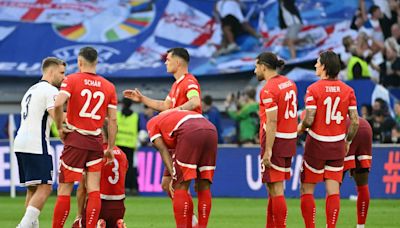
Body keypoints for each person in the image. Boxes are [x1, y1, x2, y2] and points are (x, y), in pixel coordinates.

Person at [52, 46, 118, 228]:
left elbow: (58, 104)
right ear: (96, 62)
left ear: (79, 62)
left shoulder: (71, 80)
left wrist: (59, 127)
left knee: (65, 188)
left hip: (75, 139)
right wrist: (110, 147)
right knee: (94, 189)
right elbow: (112, 120)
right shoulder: (109, 86)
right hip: (96, 142)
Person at [123, 47, 202, 193]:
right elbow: (164, 106)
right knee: (167, 184)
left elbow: (195, 101)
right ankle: (190, 216)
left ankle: (188, 216)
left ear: (177, 62)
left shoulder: (189, 81)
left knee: (179, 183)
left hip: (189, 135)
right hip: (179, 137)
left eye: (168, 59)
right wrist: (142, 99)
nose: (165, 63)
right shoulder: (176, 84)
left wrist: (174, 111)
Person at [298, 51, 359, 228]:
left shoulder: (313, 89)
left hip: (316, 144)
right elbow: (354, 121)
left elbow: (309, 119)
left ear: (324, 66)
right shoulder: (348, 90)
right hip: (338, 145)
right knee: (333, 191)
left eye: (317, 62)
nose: (315, 65)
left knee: (307, 189)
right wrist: (347, 142)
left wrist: (299, 129)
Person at [14, 57, 66, 228]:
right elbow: (56, 114)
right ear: (51, 71)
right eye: (62, 73)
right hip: (37, 143)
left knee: (33, 188)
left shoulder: (31, 90)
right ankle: (23, 226)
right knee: (45, 187)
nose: (64, 77)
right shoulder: (50, 90)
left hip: (21, 142)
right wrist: (81, 118)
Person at [146, 110, 217, 228]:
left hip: (189, 133)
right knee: (204, 184)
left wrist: (174, 176)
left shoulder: (152, 123)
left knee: (180, 185)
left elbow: (163, 149)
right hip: (211, 130)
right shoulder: (176, 116)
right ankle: (199, 225)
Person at [254, 52, 298, 227]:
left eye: (256, 66)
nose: (255, 70)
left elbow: (272, 121)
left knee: (277, 189)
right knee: (272, 188)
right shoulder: (290, 83)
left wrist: (268, 150)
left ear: (264, 66)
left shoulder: (268, 89)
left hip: (275, 140)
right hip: (289, 138)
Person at [73, 120, 128, 228]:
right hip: (119, 205)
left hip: (99, 204)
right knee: (112, 222)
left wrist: (79, 215)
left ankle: (100, 224)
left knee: (77, 226)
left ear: (101, 134)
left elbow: (82, 189)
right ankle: (116, 225)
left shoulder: (94, 154)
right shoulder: (122, 155)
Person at [343, 117, 372, 228]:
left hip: (344, 128)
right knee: (363, 185)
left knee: (333, 187)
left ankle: (330, 225)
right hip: (365, 126)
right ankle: (361, 226)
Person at [116, 97, 139, 195]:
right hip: (130, 145)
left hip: (118, 144)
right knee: (129, 167)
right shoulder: (135, 116)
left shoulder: (117, 115)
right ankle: (130, 187)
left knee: (118, 167)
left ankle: (118, 187)